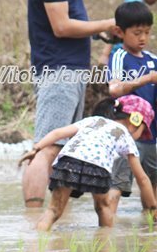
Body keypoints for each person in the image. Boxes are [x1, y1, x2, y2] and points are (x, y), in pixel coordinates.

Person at [21, 0, 116, 208]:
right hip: (59, 70)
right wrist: (107, 23)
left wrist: (100, 33)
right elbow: (61, 26)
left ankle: (49, 217)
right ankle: (31, 221)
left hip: (68, 69)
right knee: (47, 146)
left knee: (59, 147)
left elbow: (71, 19)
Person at [19, 96, 157, 230]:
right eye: (143, 131)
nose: (141, 136)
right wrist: (153, 207)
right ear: (136, 120)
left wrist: (36, 149)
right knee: (103, 207)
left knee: (53, 211)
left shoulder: (93, 120)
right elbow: (143, 179)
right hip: (97, 169)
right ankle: (105, 245)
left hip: (67, 164)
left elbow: (57, 133)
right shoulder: (125, 135)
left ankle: (36, 245)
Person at [106, 2, 157, 213]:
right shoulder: (120, 57)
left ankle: (150, 235)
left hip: (151, 136)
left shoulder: (153, 59)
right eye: (137, 33)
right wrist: (145, 79)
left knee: (153, 185)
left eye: (147, 32)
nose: (143, 38)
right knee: (118, 184)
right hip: (128, 136)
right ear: (120, 32)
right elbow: (115, 89)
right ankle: (105, 229)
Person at [99, 0, 157, 65]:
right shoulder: (134, 3)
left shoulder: (135, 1)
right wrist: (105, 54)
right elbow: (116, 26)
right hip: (123, 56)